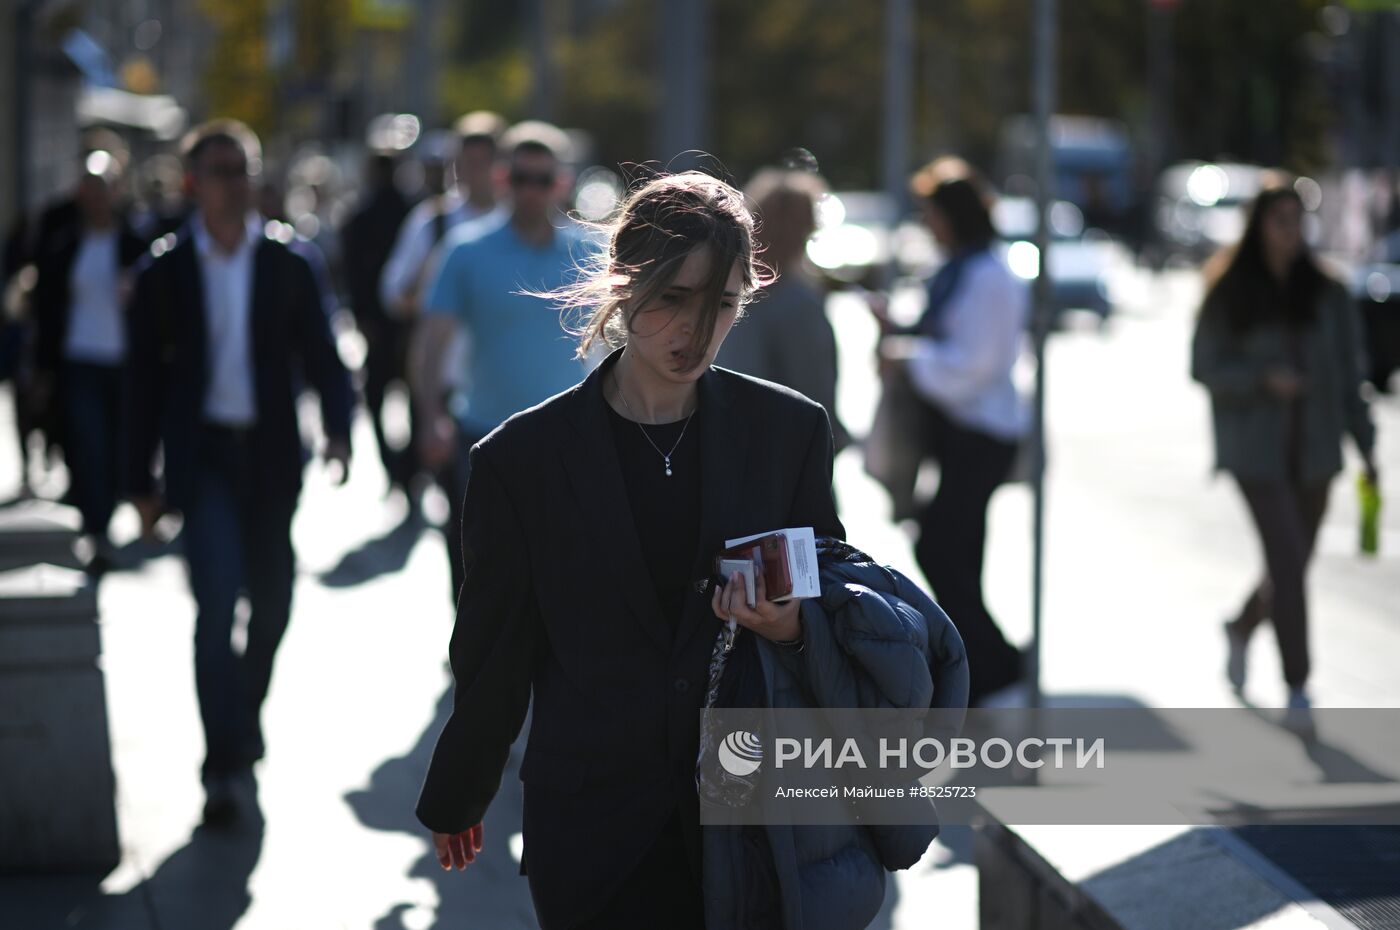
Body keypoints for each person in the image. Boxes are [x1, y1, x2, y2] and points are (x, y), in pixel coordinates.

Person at [414, 170, 844, 929]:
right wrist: (461, 788)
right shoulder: (524, 460)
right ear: (622, 283)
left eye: (724, 304)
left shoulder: (787, 432)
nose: (697, 328)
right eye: (675, 298)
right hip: (592, 826)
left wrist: (790, 625)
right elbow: (495, 649)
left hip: (749, 818)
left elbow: (834, 603)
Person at [125, 119, 354, 826]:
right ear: (193, 184)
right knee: (216, 606)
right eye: (218, 170)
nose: (233, 182)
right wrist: (139, 480)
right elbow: (140, 382)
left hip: (271, 456)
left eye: (242, 168)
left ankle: (241, 716)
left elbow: (322, 353)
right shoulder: (165, 270)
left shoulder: (290, 262)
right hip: (205, 462)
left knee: (275, 601)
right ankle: (222, 764)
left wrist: (342, 430)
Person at [1191, 177, 1378, 730]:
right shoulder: (1230, 291)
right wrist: (1262, 379)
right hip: (1256, 454)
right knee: (1290, 564)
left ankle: (1242, 626)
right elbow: (1204, 366)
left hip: (1316, 453)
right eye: (1279, 221)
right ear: (1258, 226)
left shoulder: (1328, 293)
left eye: (1298, 221)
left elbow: (1352, 376)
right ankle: (1298, 685)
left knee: (1289, 564)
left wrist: (1368, 448)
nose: (1290, 232)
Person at [409, 120, 589, 604]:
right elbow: (431, 344)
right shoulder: (465, 250)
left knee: (558, 570)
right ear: (501, 178)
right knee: (480, 567)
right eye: (521, 178)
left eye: (543, 179)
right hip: (482, 436)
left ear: (562, 183)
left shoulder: (589, 254)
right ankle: (476, 664)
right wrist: (429, 420)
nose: (532, 191)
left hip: (567, 438)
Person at [875, 159, 1030, 706]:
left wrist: (906, 353)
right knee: (957, 551)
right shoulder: (961, 269)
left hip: (981, 431)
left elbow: (974, 365)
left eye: (931, 214)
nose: (926, 225)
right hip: (962, 432)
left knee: (943, 548)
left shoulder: (987, 276)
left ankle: (1000, 665)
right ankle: (986, 668)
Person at [29, 150, 148, 569]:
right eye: (89, 189)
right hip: (79, 360)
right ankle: (96, 527)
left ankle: (109, 512)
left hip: (123, 363)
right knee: (88, 444)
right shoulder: (65, 244)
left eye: (103, 189)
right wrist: (44, 368)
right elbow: (47, 307)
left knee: (118, 445)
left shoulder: (136, 246)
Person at [716, 166, 849, 452]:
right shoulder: (797, 302)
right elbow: (814, 389)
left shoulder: (728, 292)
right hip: (787, 454)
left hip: (732, 445)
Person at [379, 111, 507, 319]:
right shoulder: (432, 219)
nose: (476, 172)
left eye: (484, 162)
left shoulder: (517, 221)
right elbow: (393, 296)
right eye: (469, 162)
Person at [339, 149, 415, 494]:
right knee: (407, 397)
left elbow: (351, 275)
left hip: (390, 325)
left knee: (382, 397)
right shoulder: (409, 211)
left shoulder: (368, 215)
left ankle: (398, 466)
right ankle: (404, 467)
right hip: (400, 326)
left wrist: (362, 319)